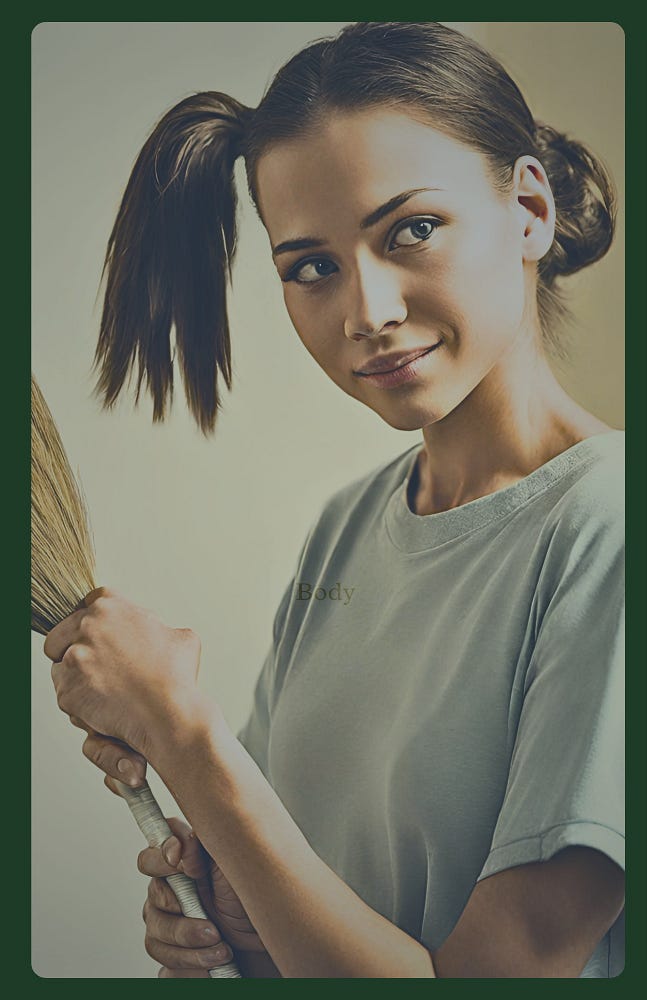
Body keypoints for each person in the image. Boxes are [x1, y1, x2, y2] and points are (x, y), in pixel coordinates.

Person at [44, 21, 624, 978]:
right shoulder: (346, 530)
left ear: (528, 208)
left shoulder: (608, 528)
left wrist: (187, 735)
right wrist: (215, 916)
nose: (366, 312)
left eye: (413, 231)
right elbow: (290, 889)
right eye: (310, 266)